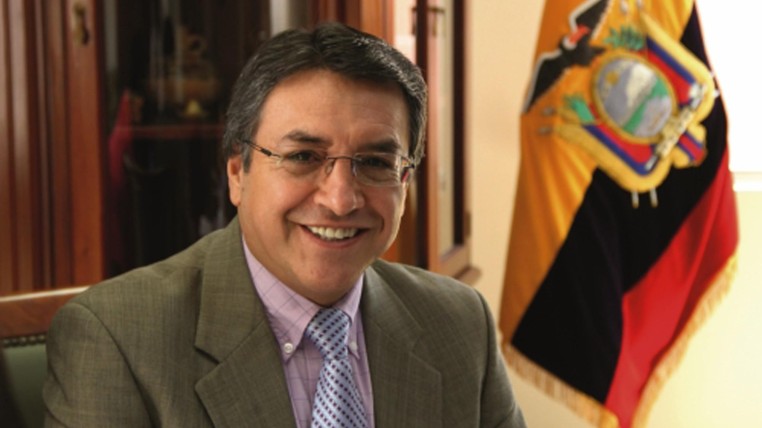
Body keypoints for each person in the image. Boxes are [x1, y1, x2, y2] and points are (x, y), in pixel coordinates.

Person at [43, 22, 526, 427]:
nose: (341, 200)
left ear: (405, 179)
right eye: (303, 157)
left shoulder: (460, 324)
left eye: (375, 162)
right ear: (238, 172)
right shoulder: (117, 340)